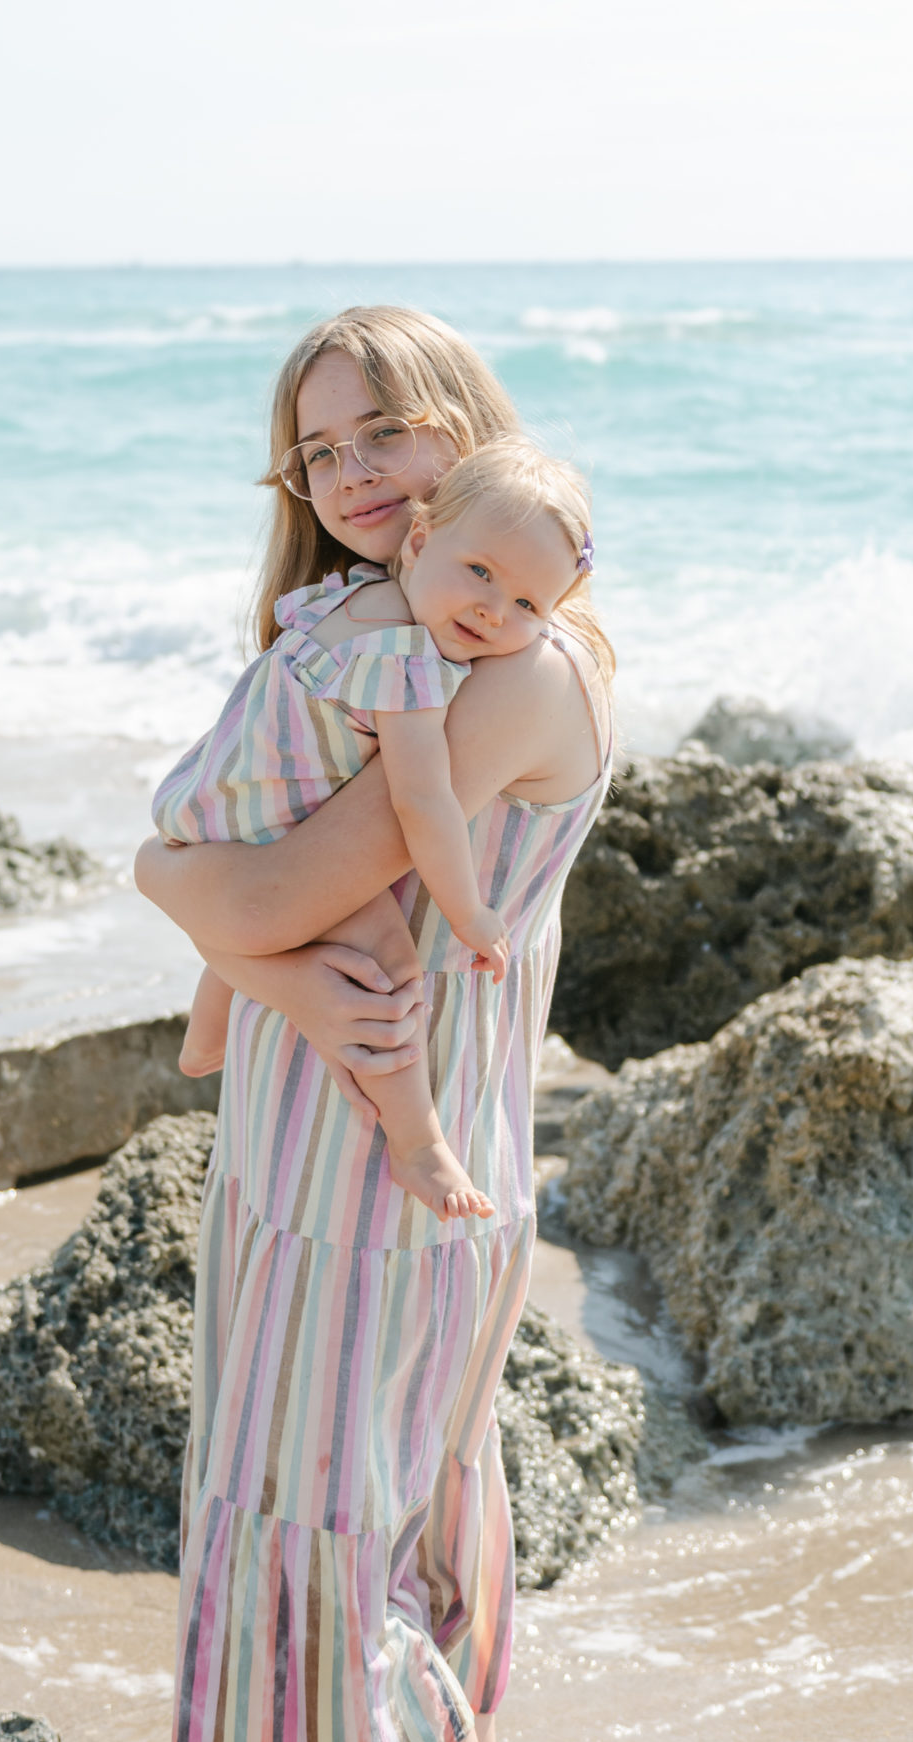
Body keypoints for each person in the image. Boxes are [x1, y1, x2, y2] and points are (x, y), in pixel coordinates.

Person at [134, 304, 613, 1742]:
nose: (355, 477)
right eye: (320, 453)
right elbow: (254, 912)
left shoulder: (507, 671)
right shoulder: (370, 641)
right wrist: (224, 933)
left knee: (322, 1529)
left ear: (470, 431)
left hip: (391, 1185)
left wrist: (170, 888)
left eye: (389, 432)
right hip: (314, 1153)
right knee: (379, 1523)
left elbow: (261, 894)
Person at [154, 437, 600, 1221]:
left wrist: (152, 867)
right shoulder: (409, 669)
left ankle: (206, 1029)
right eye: (481, 574)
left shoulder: (348, 596)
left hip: (218, 801)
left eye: (529, 605)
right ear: (423, 540)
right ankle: (418, 1139)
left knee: (274, 921)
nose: (494, 612)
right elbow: (420, 804)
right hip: (268, 821)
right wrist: (468, 912)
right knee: (385, 955)